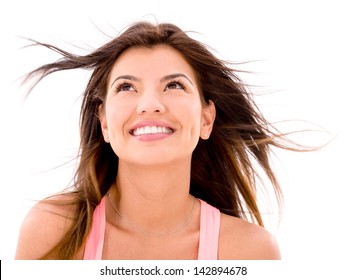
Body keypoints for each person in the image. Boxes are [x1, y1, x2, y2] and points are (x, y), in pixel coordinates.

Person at [15, 21, 290, 260]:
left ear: (206, 119)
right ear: (105, 122)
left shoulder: (250, 251)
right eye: (126, 87)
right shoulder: (53, 230)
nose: (149, 104)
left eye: (174, 85)